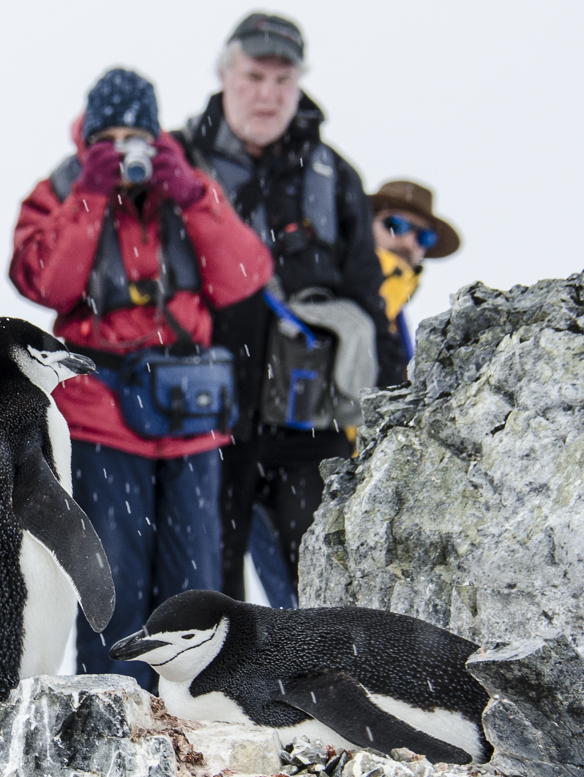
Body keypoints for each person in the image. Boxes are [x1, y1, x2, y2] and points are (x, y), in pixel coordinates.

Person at [11, 69, 273, 689]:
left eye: (137, 136)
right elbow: (45, 281)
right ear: (88, 138)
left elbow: (245, 273)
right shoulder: (61, 188)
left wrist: (192, 195)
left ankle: (192, 729)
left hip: (190, 424)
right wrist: (90, 196)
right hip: (102, 420)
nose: (125, 149)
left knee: (194, 595)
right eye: (110, 136)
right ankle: (112, 716)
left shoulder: (189, 185)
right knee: (111, 583)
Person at [175, 12, 402, 603]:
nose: (268, 94)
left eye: (283, 80)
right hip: (203, 418)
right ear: (225, 74)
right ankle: (201, 699)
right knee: (203, 599)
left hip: (309, 421)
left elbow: (368, 300)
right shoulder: (179, 164)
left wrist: (399, 414)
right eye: (254, 76)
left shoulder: (334, 176)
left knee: (321, 590)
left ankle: (317, 696)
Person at [370, 180, 461, 361]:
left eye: (424, 237)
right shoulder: (322, 277)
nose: (408, 242)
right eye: (396, 225)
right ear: (365, 222)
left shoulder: (399, 331)